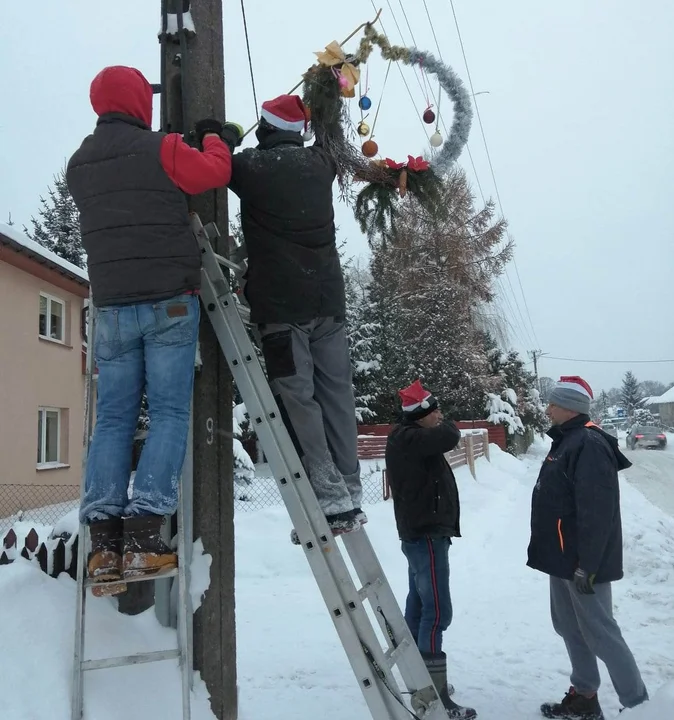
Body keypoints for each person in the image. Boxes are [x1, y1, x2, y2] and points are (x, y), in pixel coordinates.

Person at [66, 65, 239, 595]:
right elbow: (213, 173)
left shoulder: (79, 164)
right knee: (167, 413)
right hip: (169, 305)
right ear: (141, 102)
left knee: (114, 420)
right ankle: (144, 536)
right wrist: (214, 136)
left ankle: (103, 546)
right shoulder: (161, 149)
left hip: (113, 308)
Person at [227, 93, 363, 539]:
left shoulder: (250, 168)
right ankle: (349, 488)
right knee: (336, 394)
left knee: (298, 396)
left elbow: (213, 162)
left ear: (265, 127)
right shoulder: (321, 164)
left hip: (282, 310)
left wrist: (219, 136)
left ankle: (327, 493)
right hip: (329, 304)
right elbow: (330, 140)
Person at [527, 376, 649, 719]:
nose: (548, 408)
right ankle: (585, 697)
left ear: (569, 407)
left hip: (582, 562)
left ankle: (640, 704)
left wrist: (589, 564)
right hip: (562, 559)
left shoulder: (589, 444)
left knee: (600, 631)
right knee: (569, 627)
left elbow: (597, 512)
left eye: (553, 403)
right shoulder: (567, 440)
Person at [385, 379, 477, 720]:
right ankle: (434, 700)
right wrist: (447, 422)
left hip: (424, 535)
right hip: (425, 536)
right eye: (433, 410)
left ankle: (422, 681)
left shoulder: (410, 437)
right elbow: (449, 436)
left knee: (420, 605)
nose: (440, 415)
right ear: (418, 416)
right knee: (437, 611)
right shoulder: (408, 437)